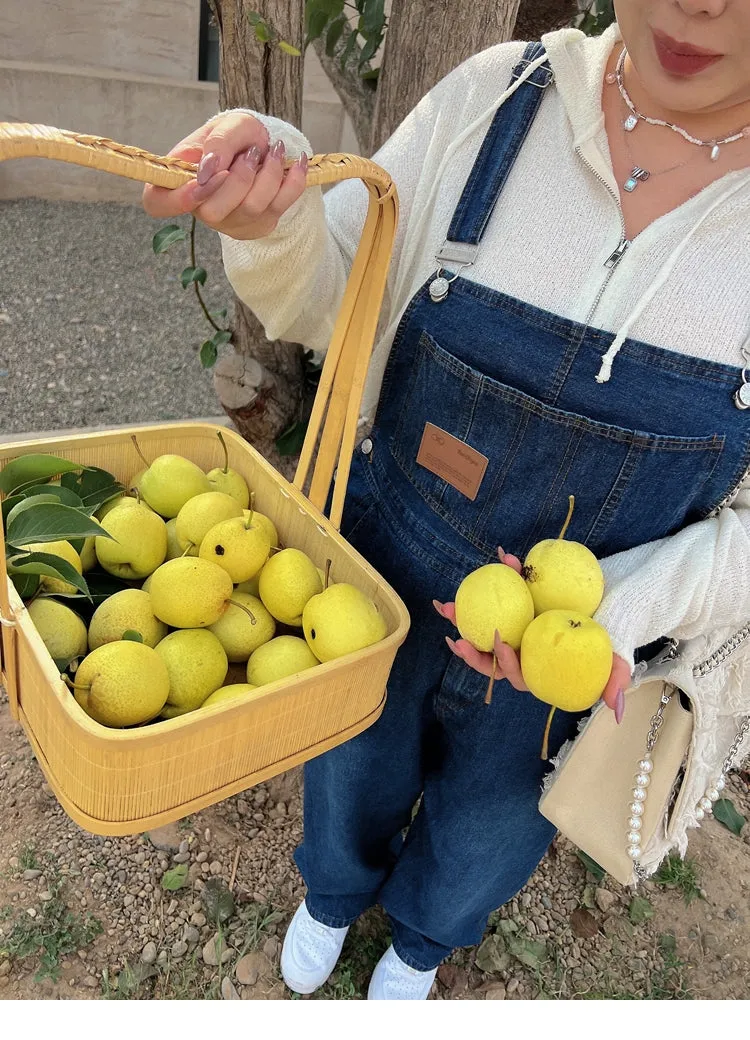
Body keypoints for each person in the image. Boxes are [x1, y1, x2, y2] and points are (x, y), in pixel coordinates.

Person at [144, 1, 750, 1000]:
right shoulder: (499, 99)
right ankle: (334, 893)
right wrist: (277, 213)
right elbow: (338, 283)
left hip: (569, 661)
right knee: (348, 764)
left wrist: (620, 608)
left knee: (492, 826)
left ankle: (423, 937)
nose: (700, 6)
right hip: (382, 571)